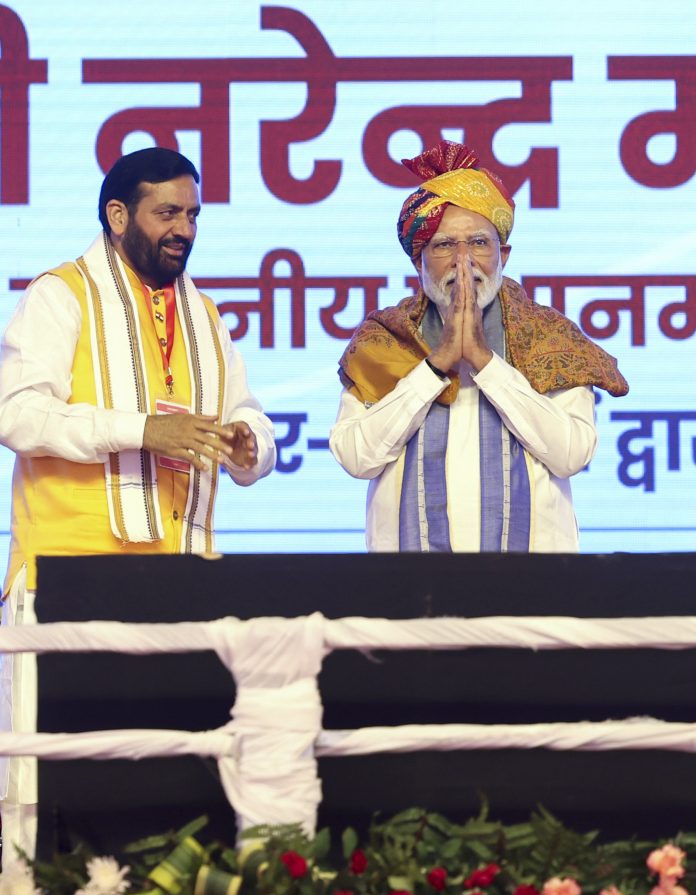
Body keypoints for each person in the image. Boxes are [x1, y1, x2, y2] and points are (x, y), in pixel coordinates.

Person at [0, 147, 276, 864]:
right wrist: (142, 430)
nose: (184, 228)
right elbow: (16, 413)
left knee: (171, 782)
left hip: (181, 583)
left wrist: (250, 443)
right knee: (54, 783)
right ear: (118, 215)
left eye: (193, 215)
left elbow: (246, 410)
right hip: (69, 581)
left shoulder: (204, 314)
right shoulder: (61, 295)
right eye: (167, 213)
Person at [330, 140, 628, 552]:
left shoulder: (550, 336)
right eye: (444, 245)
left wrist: (486, 364)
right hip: (408, 584)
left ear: (503, 255)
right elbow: (355, 456)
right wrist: (435, 367)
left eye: (479, 243)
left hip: (533, 583)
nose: (463, 261)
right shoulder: (384, 340)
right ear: (418, 261)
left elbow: (572, 454)